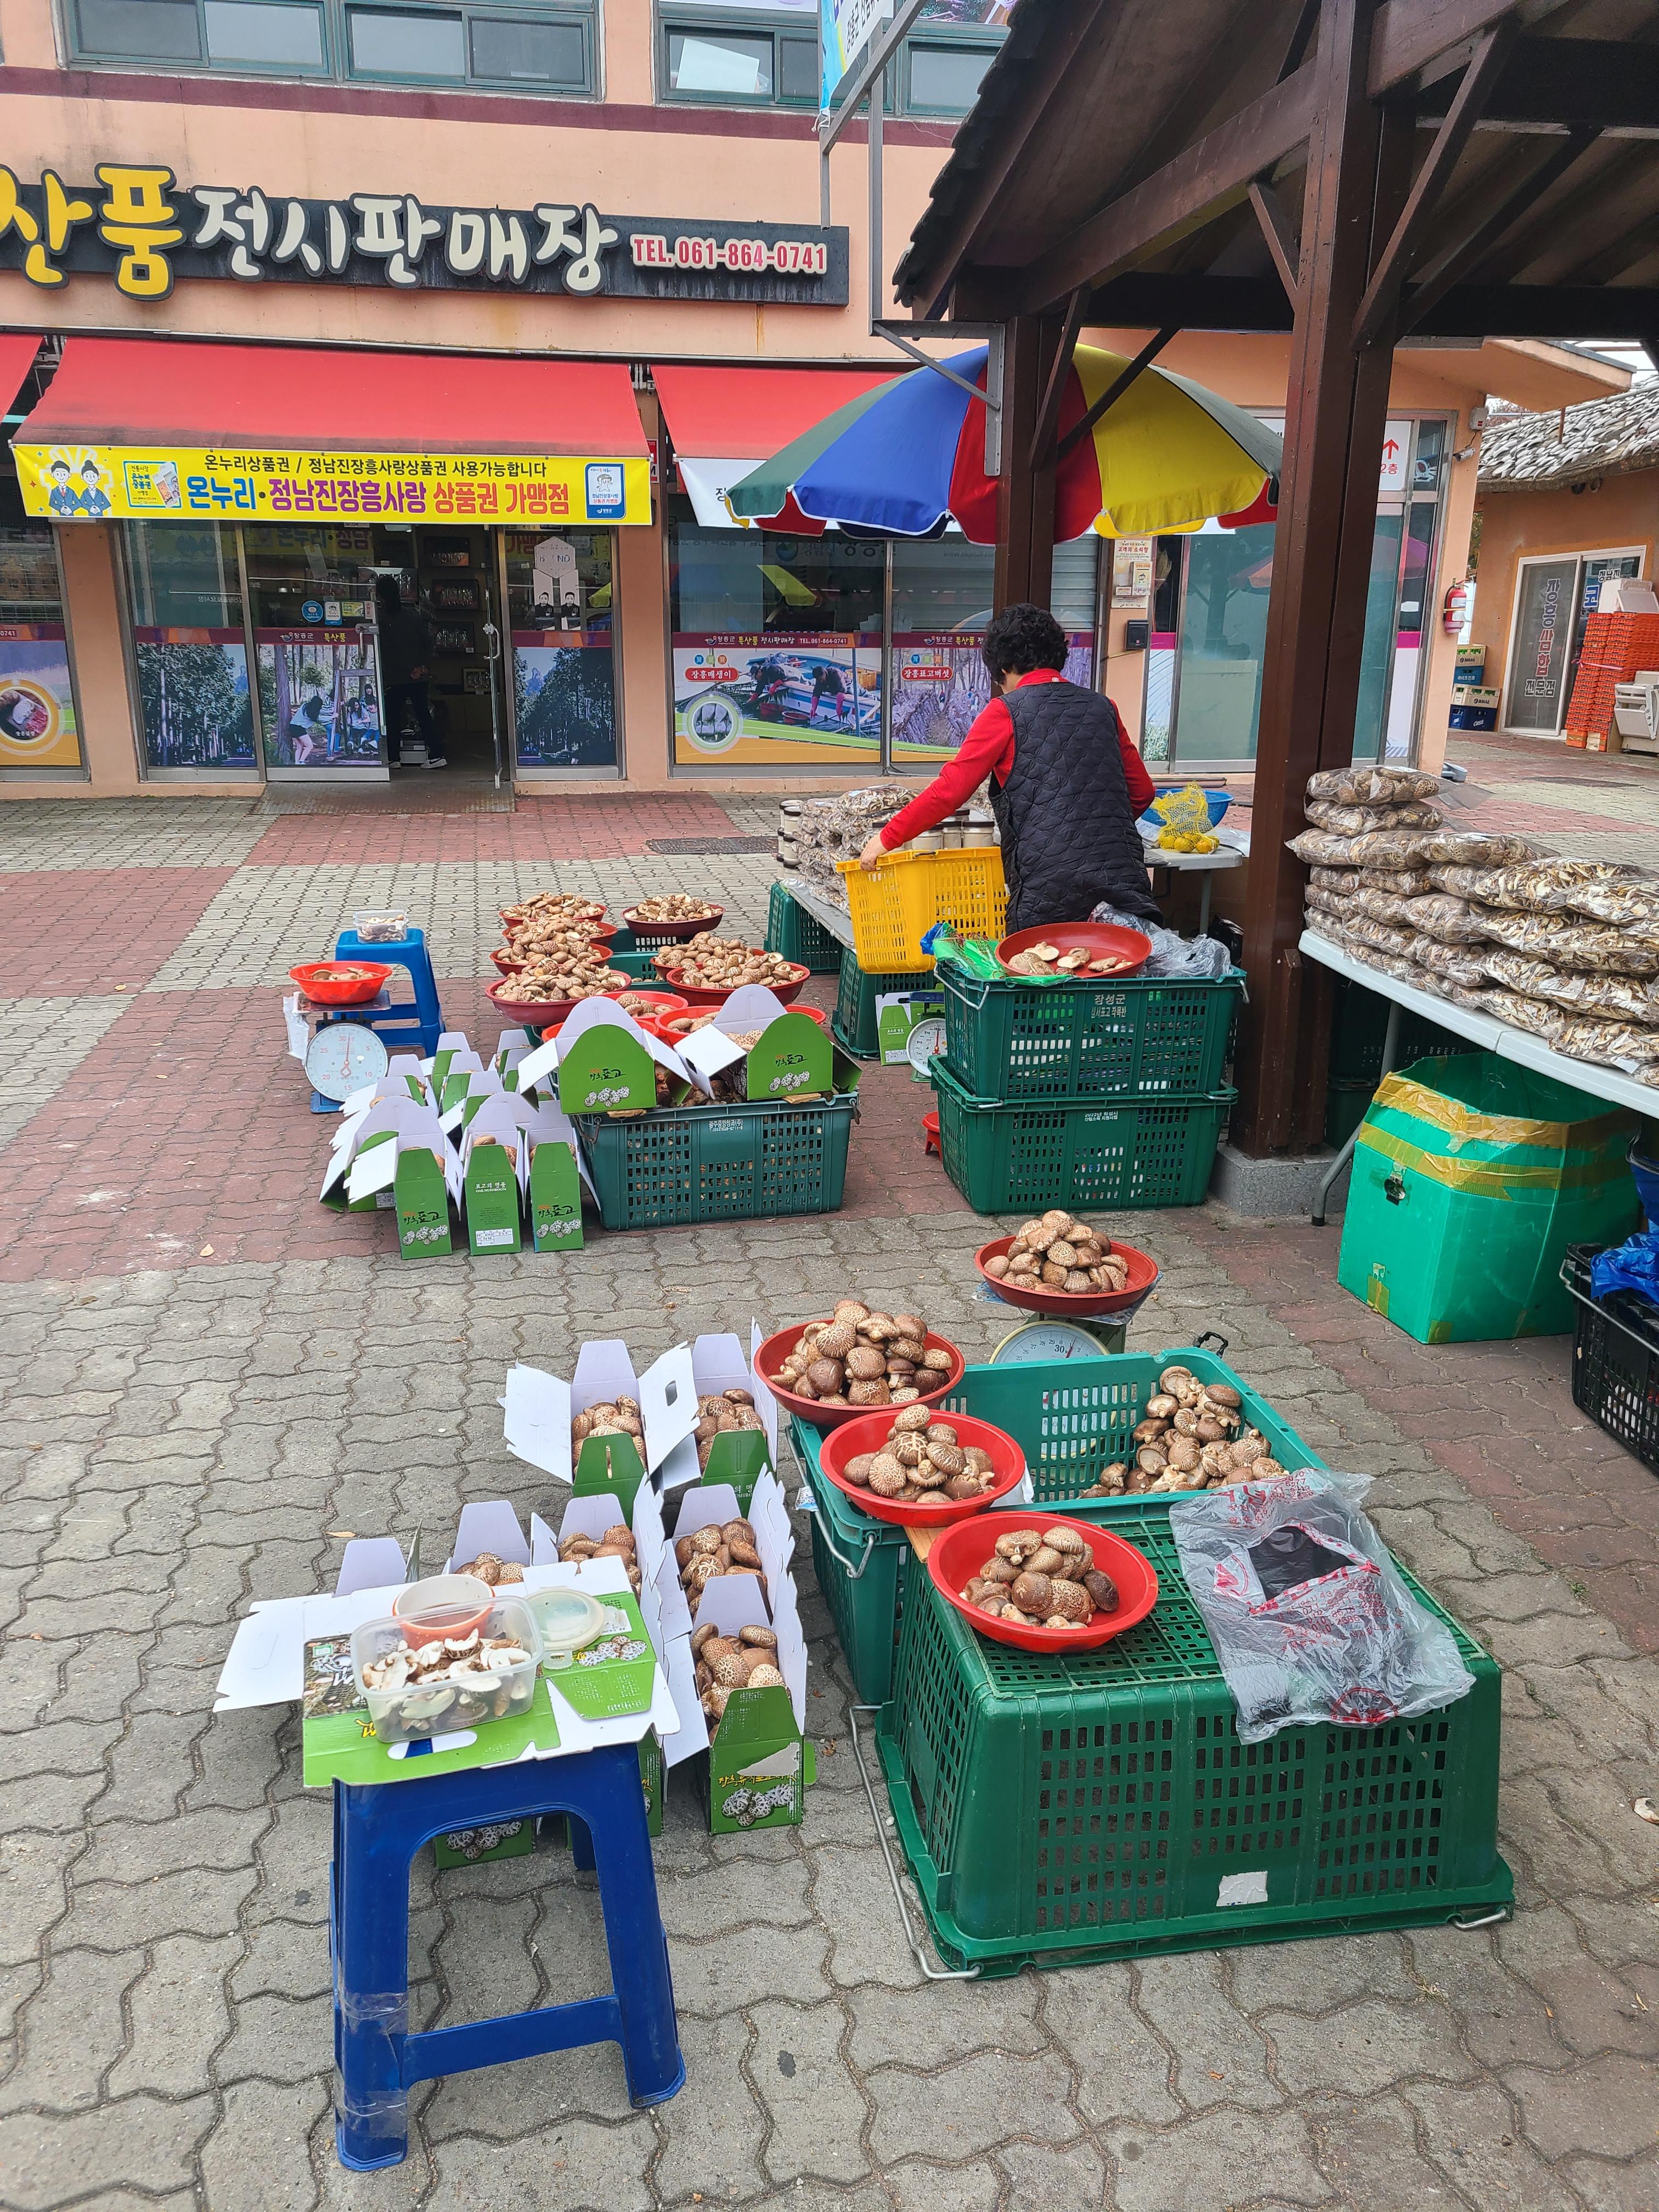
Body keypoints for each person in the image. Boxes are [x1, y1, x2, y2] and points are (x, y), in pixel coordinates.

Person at [859, 600, 1160, 929]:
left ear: (1004, 668)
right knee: (1123, 959)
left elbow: (950, 791)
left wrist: (887, 837)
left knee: (1043, 959)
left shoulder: (1005, 711)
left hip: (1048, 888)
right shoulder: (1104, 707)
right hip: (1123, 880)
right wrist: (1094, 828)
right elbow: (1143, 791)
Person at [373, 574, 446, 768]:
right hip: (416, 675)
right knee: (423, 714)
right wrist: (421, 666)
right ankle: (437, 754)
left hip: (393, 676)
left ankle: (393, 758)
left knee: (393, 717)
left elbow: (383, 649)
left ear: (381, 596)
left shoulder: (380, 619)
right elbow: (427, 643)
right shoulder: (412, 615)